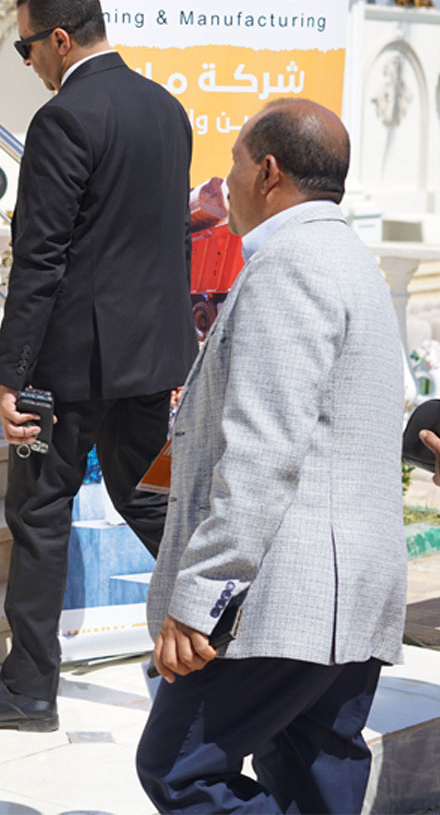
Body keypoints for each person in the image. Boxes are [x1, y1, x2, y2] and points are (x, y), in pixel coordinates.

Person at [0, 0, 197, 732]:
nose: (28, 64)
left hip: (70, 366)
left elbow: (40, 257)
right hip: (150, 361)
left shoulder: (63, 119)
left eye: (26, 49)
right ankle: (233, 623)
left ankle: (28, 690)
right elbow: (170, 242)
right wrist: (178, 357)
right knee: (148, 497)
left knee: (40, 510)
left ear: (59, 39)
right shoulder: (167, 109)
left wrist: (9, 371)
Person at [136, 100, 406, 814]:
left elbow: (263, 451)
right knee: (313, 779)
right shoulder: (348, 258)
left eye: (232, 164)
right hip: (348, 592)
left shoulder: (291, 266)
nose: (223, 183)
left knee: (178, 770)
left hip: (292, 594)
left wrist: (201, 598)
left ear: (268, 172)